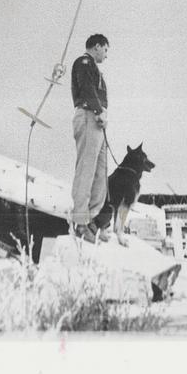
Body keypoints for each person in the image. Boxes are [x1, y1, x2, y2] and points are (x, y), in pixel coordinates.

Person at [70, 34, 110, 243]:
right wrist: (97, 111)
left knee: (99, 172)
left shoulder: (93, 67)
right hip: (88, 116)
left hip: (96, 119)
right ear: (97, 47)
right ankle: (80, 221)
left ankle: (92, 219)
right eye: (105, 50)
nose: (105, 55)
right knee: (86, 169)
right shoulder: (84, 62)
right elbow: (86, 88)